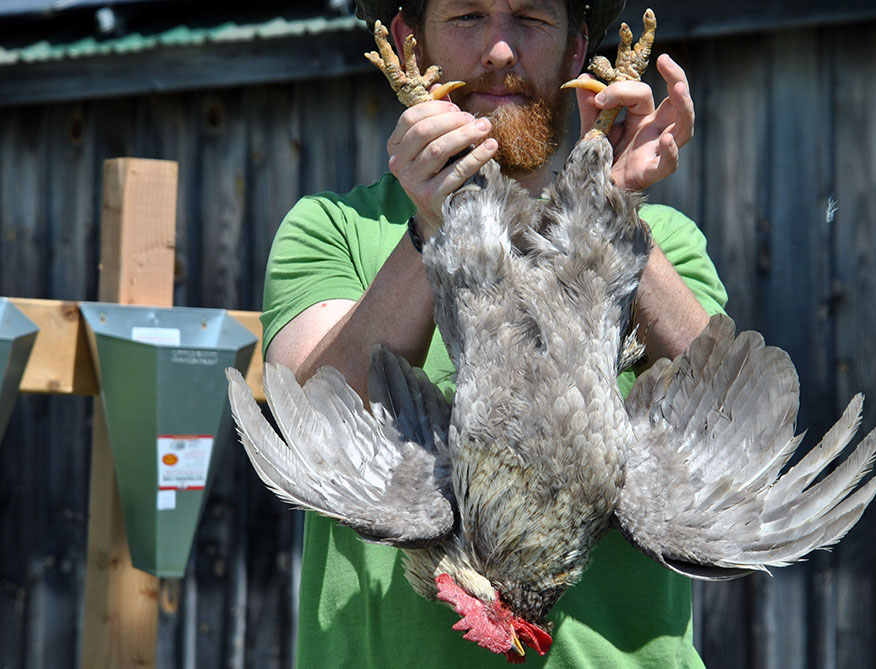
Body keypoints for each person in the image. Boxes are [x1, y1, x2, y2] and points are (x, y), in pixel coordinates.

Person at [260, 0, 727, 666]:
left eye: (531, 19)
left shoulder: (666, 243)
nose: (501, 51)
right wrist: (428, 226)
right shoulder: (335, 229)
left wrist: (613, 208)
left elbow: (725, 406)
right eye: (468, 16)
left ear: (576, 51)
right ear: (410, 42)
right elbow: (308, 427)